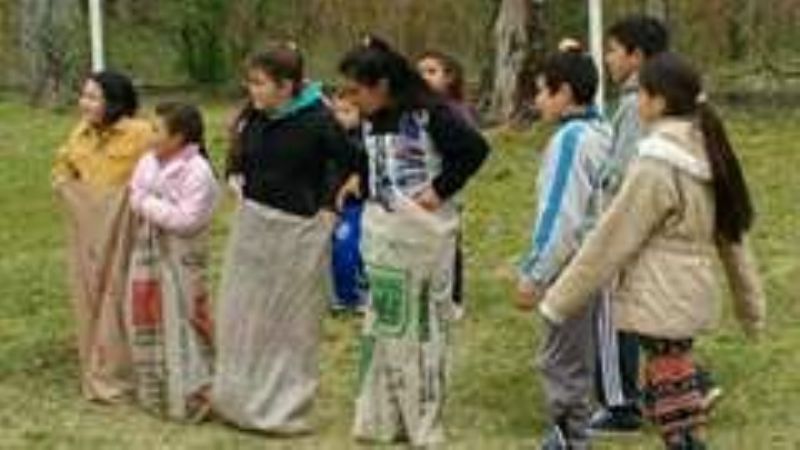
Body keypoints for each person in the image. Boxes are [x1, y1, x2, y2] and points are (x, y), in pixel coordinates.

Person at [537, 52, 766, 450]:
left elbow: (612, 238)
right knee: (673, 379)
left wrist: (559, 299)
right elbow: (734, 239)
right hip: (690, 290)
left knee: (668, 389)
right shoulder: (709, 152)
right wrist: (751, 306)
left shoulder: (656, 164)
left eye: (639, 93)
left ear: (659, 101)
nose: (634, 102)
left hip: (659, 293)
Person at [339, 36, 489, 446]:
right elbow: (371, 162)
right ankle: (383, 417)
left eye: (357, 90)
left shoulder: (429, 113)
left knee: (419, 326)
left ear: (382, 85)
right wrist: (363, 184)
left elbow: (474, 150)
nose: (351, 99)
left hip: (423, 236)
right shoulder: (372, 119)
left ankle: (422, 418)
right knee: (385, 322)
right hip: (383, 233)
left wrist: (439, 190)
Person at [211, 43, 358, 435]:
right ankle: (237, 399)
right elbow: (240, 153)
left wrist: (330, 205)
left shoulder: (318, 121)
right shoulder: (256, 117)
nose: (252, 90)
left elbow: (350, 162)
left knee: (286, 325)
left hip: (297, 233)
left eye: (260, 83)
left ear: (287, 85)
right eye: (251, 82)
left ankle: (280, 409)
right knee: (242, 316)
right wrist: (235, 176)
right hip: (254, 228)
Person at [515, 49, 611, 450]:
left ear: (565, 93)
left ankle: (569, 435)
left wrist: (534, 273)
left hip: (575, 263)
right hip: (602, 257)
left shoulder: (570, 141)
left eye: (542, 92)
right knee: (580, 351)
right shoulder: (605, 132)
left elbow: (560, 215)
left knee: (562, 355)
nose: (537, 101)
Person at [590, 14, 671, 433]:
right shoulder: (677, 99)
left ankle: (619, 402)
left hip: (627, 227)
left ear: (636, 56)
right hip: (662, 227)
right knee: (653, 311)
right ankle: (677, 384)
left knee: (613, 312)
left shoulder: (635, 104)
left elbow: (622, 172)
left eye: (612, 50)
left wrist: (602, 222)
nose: (606, 58)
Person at [52, 70, 153, 403]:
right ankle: (100, 361)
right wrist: (65, 184)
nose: (85, 103)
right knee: (93, 293)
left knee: (125, 293)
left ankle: (133, 368)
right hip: (92, 232)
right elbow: (65, 167)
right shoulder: (80, 133)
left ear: (115, 102)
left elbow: (164, 169)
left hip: (128, 230)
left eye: (93, 97)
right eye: (83, 96)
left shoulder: (141, 134)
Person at [126, 102, 218, 421]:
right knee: (152, 310)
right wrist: (151, 203)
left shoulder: (198, 171)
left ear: (178, 138)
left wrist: (150, 205)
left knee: (188, 313)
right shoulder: (148, 161)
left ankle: (198, 388)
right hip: (148, 252)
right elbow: (133, 192)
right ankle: (158, 383)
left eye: (157, 130)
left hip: (184, 254)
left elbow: (186, 220)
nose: (150, 135)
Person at [327, 90, 368, 314]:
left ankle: (353, 296)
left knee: (347, 247)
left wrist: (357, 177)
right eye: (335, 111)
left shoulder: (366, 140)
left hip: (355, 205)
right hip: (328, 205)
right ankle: (339, 295)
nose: (339, 116)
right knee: (333, 249)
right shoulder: (328, 136)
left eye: (347, 111)